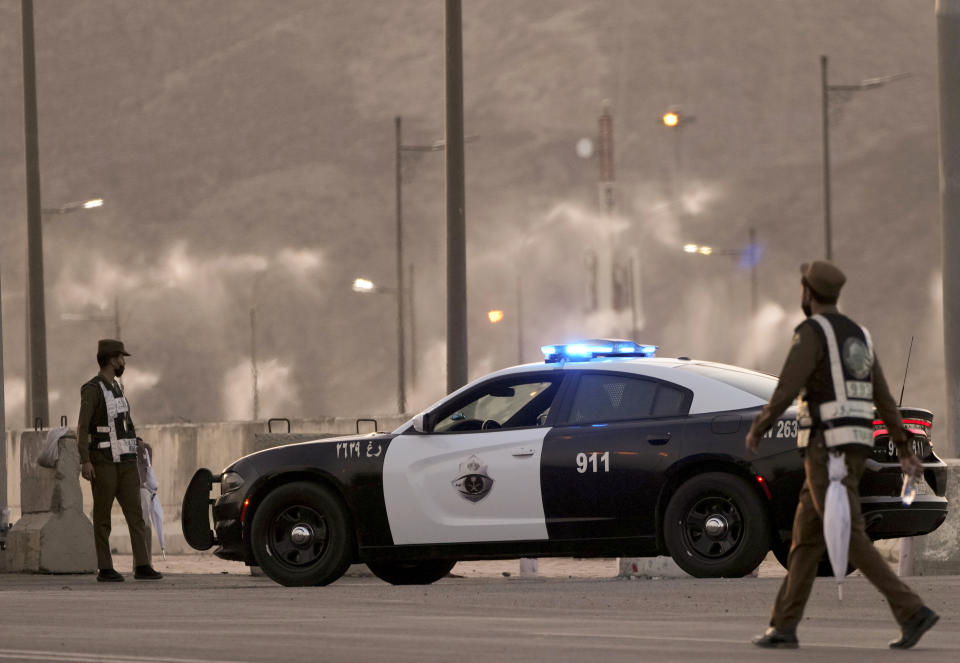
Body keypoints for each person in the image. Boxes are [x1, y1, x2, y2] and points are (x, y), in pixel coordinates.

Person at [745, 261, 938, 650]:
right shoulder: (859, 337)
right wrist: (902, 447)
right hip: (853, 446)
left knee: (848, 533)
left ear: (808, 293)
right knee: (805, 537)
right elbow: (882, 396)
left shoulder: (811, 332)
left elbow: (788, 385)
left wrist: (760, 425)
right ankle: (783, 625)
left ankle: (911, 609)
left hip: (827, 449)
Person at [78, 339, 162, 582]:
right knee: (103, 517)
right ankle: (105, 567)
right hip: (103, 462)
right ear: (111, 359)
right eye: (120, 357)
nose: (123, 361)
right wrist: (85, 460)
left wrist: (136, 442)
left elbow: (124, 423)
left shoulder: (117, 388)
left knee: (135, 514)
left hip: (126, 462)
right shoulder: (92, 389)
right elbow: (83, 427)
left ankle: (142, 565)